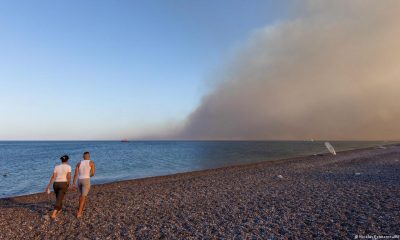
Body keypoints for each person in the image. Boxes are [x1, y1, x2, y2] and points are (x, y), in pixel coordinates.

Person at [46, 155, 71, 219]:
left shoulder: (56, 167)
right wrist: (68, 184)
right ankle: (54, 214)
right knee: (59, 199)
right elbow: (68, 177)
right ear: (67, 160)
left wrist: (49, 186)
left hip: (56, 184)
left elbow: (53, 177)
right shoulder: (68, 167)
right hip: (63, 184)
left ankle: (59, 209)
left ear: (61, 160)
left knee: (59, 198)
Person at [72, 151, 96, 218]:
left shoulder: (79, 163)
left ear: (83, 157)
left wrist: (73, 183)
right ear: (89, 156)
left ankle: (81, 209)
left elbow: (75, 174)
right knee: (83, 196)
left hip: (79, 180)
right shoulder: (91, 163)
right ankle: (79, 212)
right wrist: (89, 176)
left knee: (83, 196)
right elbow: (93, 173)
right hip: (86, 180)